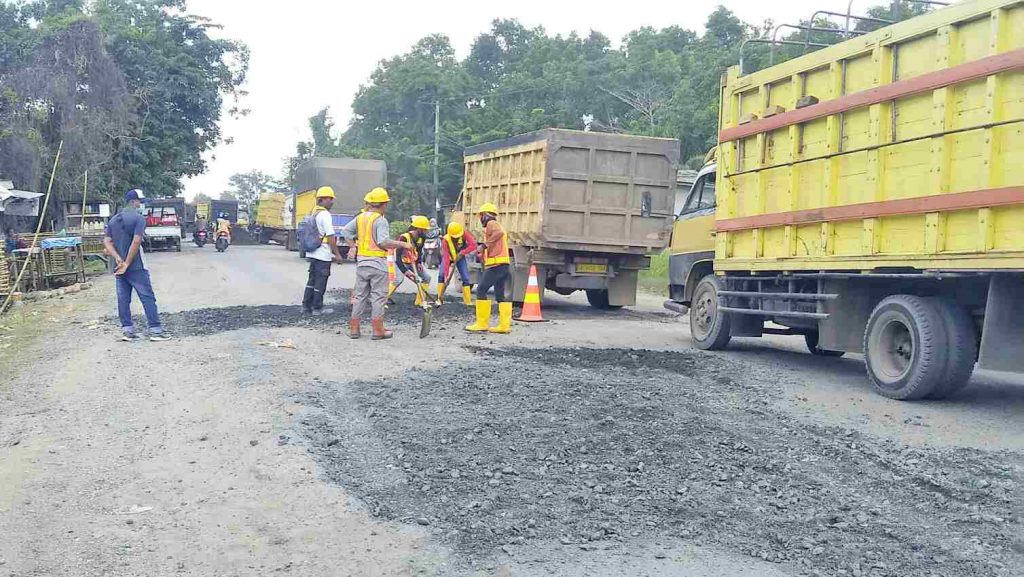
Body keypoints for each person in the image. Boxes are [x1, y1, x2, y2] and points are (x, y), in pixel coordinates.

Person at [341, 187, 411, 339]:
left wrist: (353, 247)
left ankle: (354, 329)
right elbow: (383, 241)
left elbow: (345, 232)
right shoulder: (380, 220)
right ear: (384, 204)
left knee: (360, 296)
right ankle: (378, 330)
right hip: (378, 264)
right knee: (379, 297)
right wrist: (403, 245)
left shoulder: (360, 218)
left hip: (362, 263)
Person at [102, 189, 168, 342]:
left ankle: (127, 331)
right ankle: (156, 331)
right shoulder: (138, 219)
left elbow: (106, 242)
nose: (141, 204)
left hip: (119, 267)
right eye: (140, 201)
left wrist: (118, 259)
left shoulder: (112, 221)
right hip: (136, 266)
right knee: (147, 297)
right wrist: (128, 263)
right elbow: (136, 241)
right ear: (133, 202)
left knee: (123, 299)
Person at [465, 203, 512, 334]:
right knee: (500, 295)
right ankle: (504, 326)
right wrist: (483, 254)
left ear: (485, 215)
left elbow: (499, 233)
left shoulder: (492, 223)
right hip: (503, 264)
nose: (480, 219)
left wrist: (483, 246)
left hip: (496, 265)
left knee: (481, 290)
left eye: (480, 216)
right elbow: (497, 244)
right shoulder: (495, 224)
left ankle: (482, 323)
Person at [302, 187, 344, 315]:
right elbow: (331, 236)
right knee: (321, 280)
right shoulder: (325, 214)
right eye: (329, 199)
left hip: (312, 251)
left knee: (312, 280)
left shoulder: (313, 212)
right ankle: (317, 308)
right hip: (322, 253)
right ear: (322, 199)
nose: (332, 202)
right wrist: (337, 254)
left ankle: (306, 306)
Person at [436, 222, 477, 306]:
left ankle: (467, 302)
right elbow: (446, 258)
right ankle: (439, 298)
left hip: (460, 258)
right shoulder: (445, 240)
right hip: (449, 257)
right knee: (441, 275)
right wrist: (447, 276)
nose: (457, 237)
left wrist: (462, 253)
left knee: (466, 278)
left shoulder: (464, 234)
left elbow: (473, 245)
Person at [394, 215, 432, 305]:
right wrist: (405, 271)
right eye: (424, 229)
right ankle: (384, 300)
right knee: (398, 280)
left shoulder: (422, 237)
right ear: (418, 229)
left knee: (427, 278)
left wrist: (419, 262)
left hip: (413, 263)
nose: (426, 231)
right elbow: (397, 257)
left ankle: (420, 301)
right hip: (401, 262)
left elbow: (419, 251)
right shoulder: (404, 238)